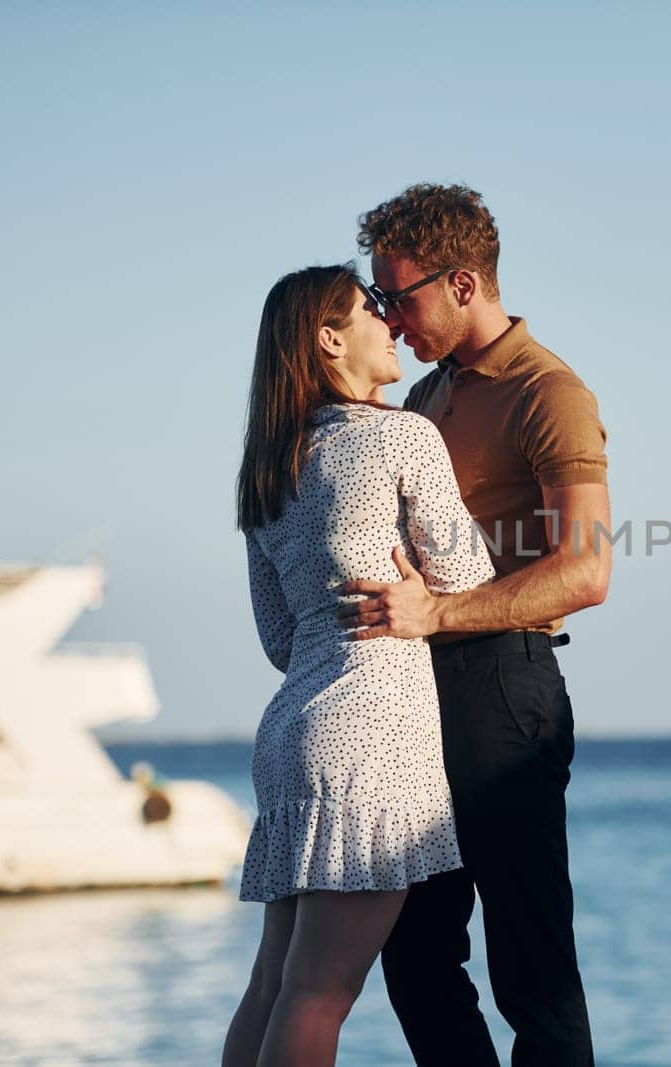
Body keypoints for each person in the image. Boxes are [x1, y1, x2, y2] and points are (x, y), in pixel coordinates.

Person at [341, 183, 612, 1067]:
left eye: (399, 295)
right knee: (414, 955)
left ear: (464, 284)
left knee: (533, 974)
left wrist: (439, 610)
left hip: (506, 690)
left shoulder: (550, 392)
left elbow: (587, 569)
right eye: (377, 298)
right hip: (420, 696)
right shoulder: (423, 395)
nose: (387, 314)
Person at [222, 265, 494, 1067]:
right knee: (319, 993)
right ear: (330, 338)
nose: (391, 322)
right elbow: (466, 578)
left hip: (292, 733)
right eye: (371, 309)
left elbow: (279, 638)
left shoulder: (269, 469)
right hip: (374, 730)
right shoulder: (401, 435)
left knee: (273, 983)